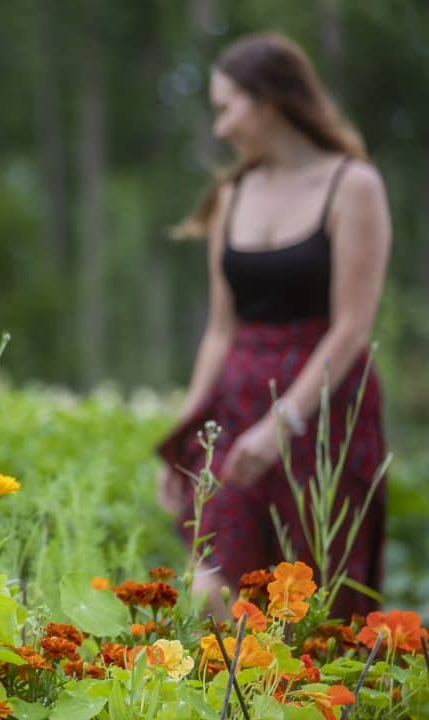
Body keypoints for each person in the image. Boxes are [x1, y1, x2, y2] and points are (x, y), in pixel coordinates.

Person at [158, 33, 390, 620]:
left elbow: (352, 328)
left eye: (226, 107)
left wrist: (280, 424)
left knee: (314, 606)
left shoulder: (353, 186)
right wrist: (184, 440)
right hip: (235, 408)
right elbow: (219, 330)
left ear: (268, 101)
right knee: (211, 589)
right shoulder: (232, 196)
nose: (220, 128)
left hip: (323, 413)